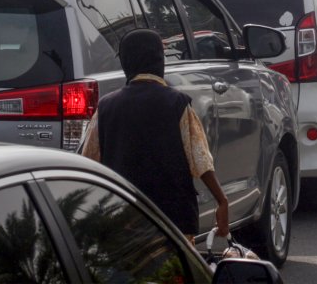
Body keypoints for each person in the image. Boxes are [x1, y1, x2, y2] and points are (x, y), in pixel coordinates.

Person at [80, 30, 230, 240]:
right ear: (159, 60)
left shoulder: (105, 107)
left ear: (126, 63)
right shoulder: (177, 104)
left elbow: (88, 163)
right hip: (174, 221)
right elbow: (201, 160)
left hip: (122, 221)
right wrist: (222, 201)